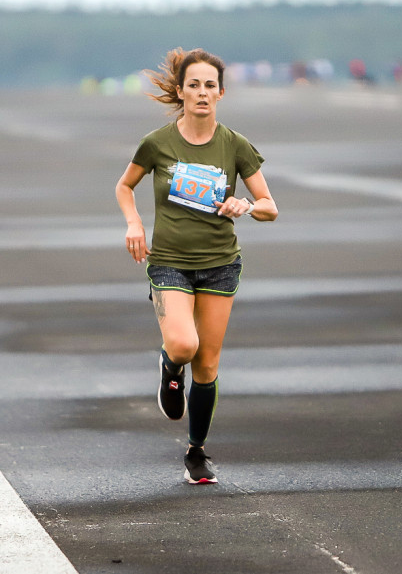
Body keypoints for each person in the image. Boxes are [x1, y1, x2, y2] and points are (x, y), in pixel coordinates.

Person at [114, 48, 278, 484]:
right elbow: (125, 185)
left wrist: (246, 204)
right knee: (184, 347)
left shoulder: (234, 145)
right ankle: (170, 368)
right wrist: (134, 225)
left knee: (207, 364)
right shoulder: (157, 143)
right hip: (169, 262)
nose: (202, 93)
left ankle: (197, 452)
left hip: (220, 265)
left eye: (210, 85)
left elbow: (270, 206)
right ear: (181, 92)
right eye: (194, 85)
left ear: (221, 93)